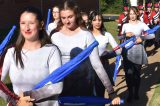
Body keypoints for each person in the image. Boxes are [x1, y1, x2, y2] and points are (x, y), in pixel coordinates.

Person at [51, 0, 120, 105]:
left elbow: (97, 65)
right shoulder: (54, 36)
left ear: (76, 15)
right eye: (63, 18)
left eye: (70, 17)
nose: (67, 21)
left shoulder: (86, 35)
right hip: (62, 86)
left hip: (84, 84)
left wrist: (111, 91)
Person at [0, 6, 62, 106]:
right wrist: (15, 101)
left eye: (31, 23)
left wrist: (27, 96)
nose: (27, 27)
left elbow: (57, 86)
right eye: (23, 23)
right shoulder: (12, 52)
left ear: (41, 25)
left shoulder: (51, 51)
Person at [121, 6, 154, 103]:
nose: (132, 16)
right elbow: (120, 36)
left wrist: (142, 38)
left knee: (136, 75)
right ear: (128, 14)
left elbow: (151, 34)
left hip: (138, 53)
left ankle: (136, 92)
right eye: (130, 14)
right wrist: (125, 35)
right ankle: (130, 93)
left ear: (137, 14)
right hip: (127, 53)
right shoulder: (125, 25)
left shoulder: (141, 24)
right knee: (128, 74)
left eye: (134, 13)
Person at [88, 11, 120, 97]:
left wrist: (107, 55)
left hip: (102, 68)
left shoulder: (107, 35)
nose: (97, 22)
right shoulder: (86, 35)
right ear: (91, 21)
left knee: (100, 93)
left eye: (100, 20)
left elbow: (118, 51)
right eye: (95, 20)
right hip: (88, 69)